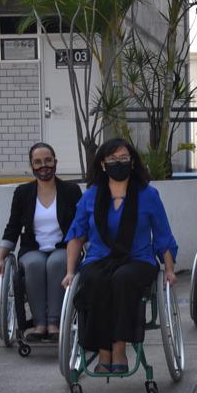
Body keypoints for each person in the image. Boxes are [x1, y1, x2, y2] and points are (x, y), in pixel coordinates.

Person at [62, 139, 177, 374]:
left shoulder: (148, 195)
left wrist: (170, 270)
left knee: (122, 279)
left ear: (132, 162)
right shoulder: (91, 195)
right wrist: (70, 272)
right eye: (112, 160)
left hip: (138, 260)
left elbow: (163, 235)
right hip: (99, 259)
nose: (118, 163)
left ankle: (119, 349)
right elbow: (76, 234)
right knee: (94, 280)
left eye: (123, 158)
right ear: (103, 165)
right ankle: (103, 351)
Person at [0, 142, 83, 342]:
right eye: (37, 162)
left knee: (55, 263)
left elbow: (80, 226)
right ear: (32, 166)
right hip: (32, 249)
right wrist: (1, 258)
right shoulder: (23, 193)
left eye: (48, 160)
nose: (43, 166)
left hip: (63, 247)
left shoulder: (71, 191)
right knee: (35, 264)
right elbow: (13, 227)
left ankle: (54, 323)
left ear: (55, 163)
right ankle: (39, 323)